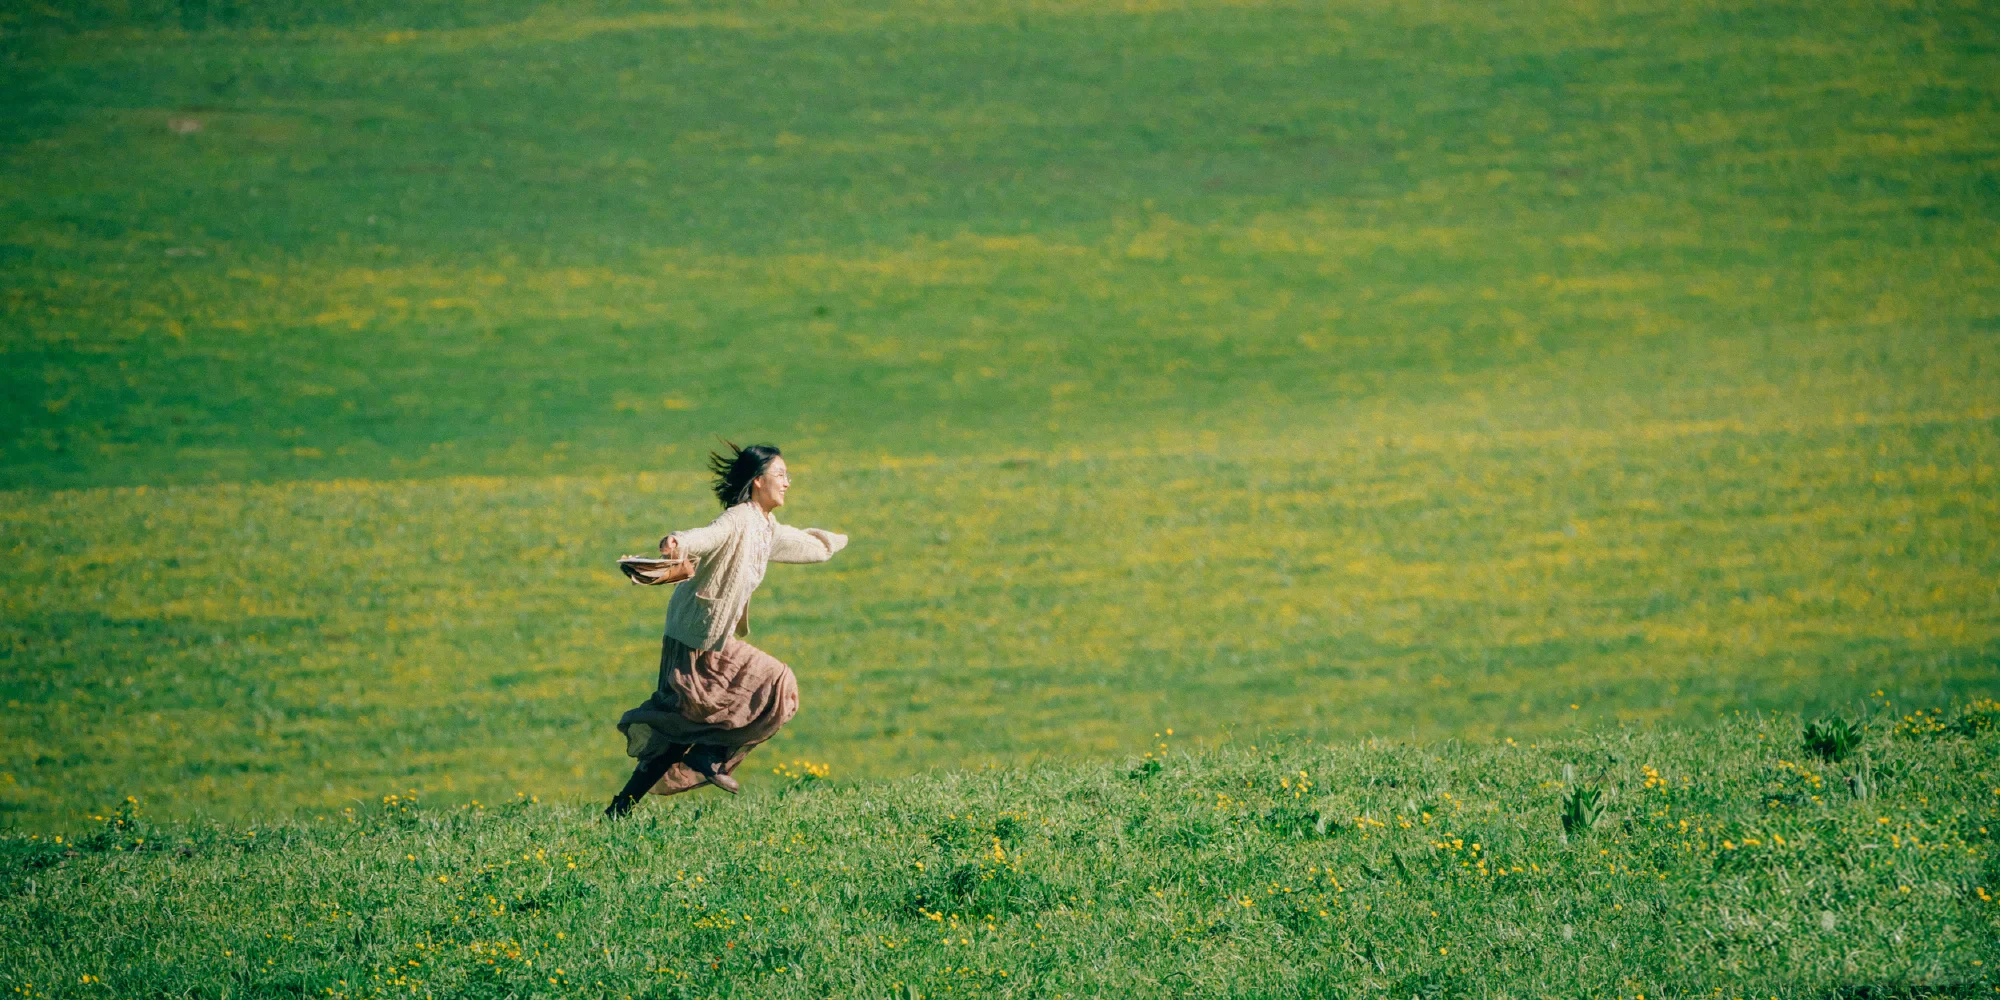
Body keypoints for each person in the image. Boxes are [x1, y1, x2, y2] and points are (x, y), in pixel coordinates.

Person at [605, 443, 847, 816]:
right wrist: (679, 541)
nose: (787, 482)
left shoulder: (765, 527)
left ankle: (623, 806)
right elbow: (708, 536)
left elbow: (803, 545)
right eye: (780, 474)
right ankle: (707, 755)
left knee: (685, 727)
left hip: (712, 637)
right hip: (694, 636)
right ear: (757, 481)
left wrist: (834, 543)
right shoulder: (739, 519)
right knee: (776, 682)